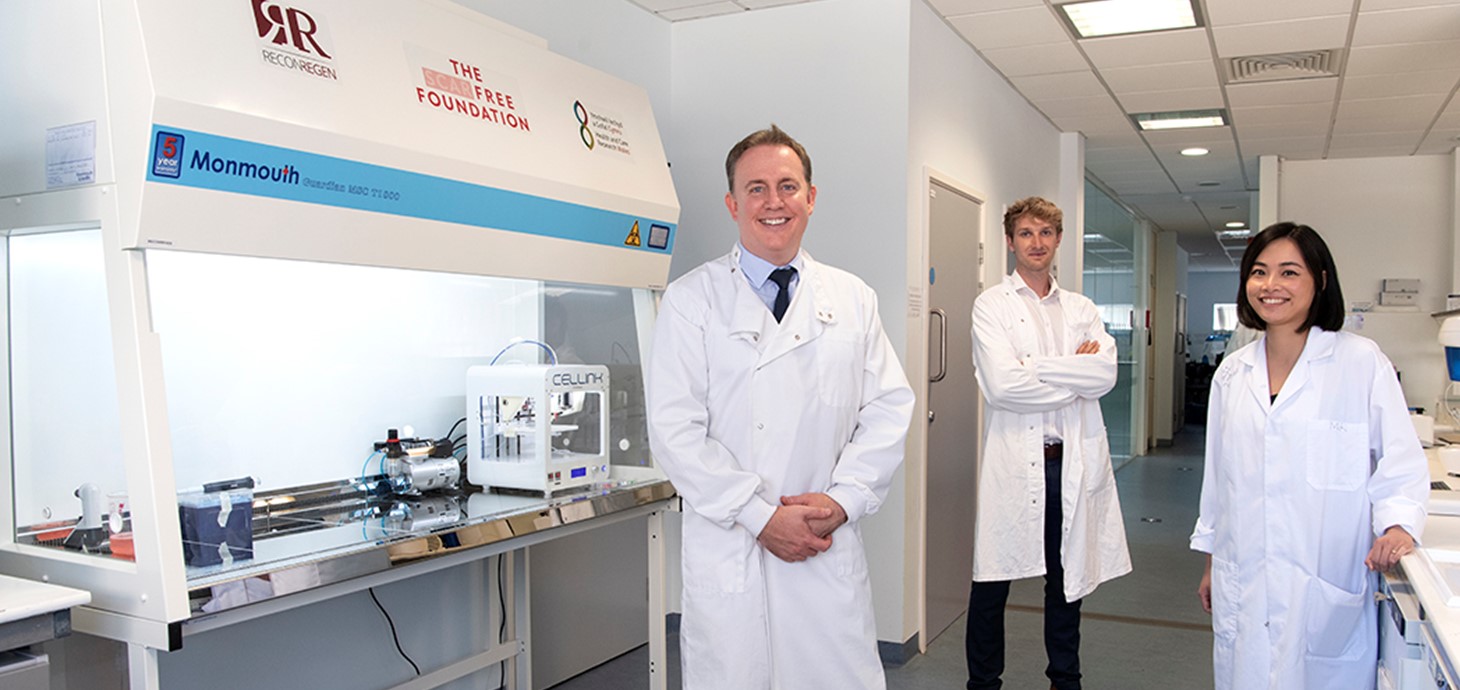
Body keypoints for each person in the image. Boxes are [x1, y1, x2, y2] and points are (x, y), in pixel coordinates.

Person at [646, 125, 915, 690]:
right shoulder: (691, 301)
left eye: (788, 186)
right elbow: (675, 432)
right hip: (732, 545)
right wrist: (761, 517)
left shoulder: (852, 298)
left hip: (823, 538)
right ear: (732, 203)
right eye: (757, 188)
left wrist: (843, 502)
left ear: (811, 197)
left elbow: (888, 410)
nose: (774, 202)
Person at [1190, 222, 1427, 689]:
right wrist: (1213, 561)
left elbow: (1399, 461)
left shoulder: (1361, 363)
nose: (1270, 285)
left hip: (1325, 580)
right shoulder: (1232, 374)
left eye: (1288, 272)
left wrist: (1398, 523)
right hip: (1246, 577)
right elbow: (1219, 481)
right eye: (1259, 272)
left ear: (1319, 280)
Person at [966, 196, 1130, 690]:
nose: (1035, 243)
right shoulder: (991, 304)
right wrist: (1070, 371)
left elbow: (1103, 375)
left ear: (1058, 240)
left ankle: (1065, 679)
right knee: (992, 581)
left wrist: (1033, 366)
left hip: (1069, 463)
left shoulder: (1080, 308)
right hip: (1016, 462)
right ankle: (983, 682)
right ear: (1010, 241)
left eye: (1045, 233)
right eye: (1025, 234)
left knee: (1065, 582)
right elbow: (1002, 386)